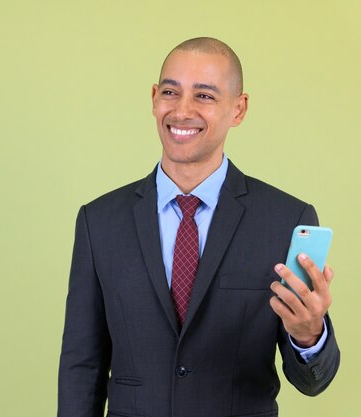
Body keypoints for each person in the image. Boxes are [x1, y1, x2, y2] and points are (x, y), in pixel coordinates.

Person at [57, 37, 340, 417]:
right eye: (171, 91)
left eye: (204, 96)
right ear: (155, 97)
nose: (182, 110)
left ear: (238, 109)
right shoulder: (99, 221)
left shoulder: (286, 220)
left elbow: (312, 382)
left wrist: (309, 335)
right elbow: (82, 365)